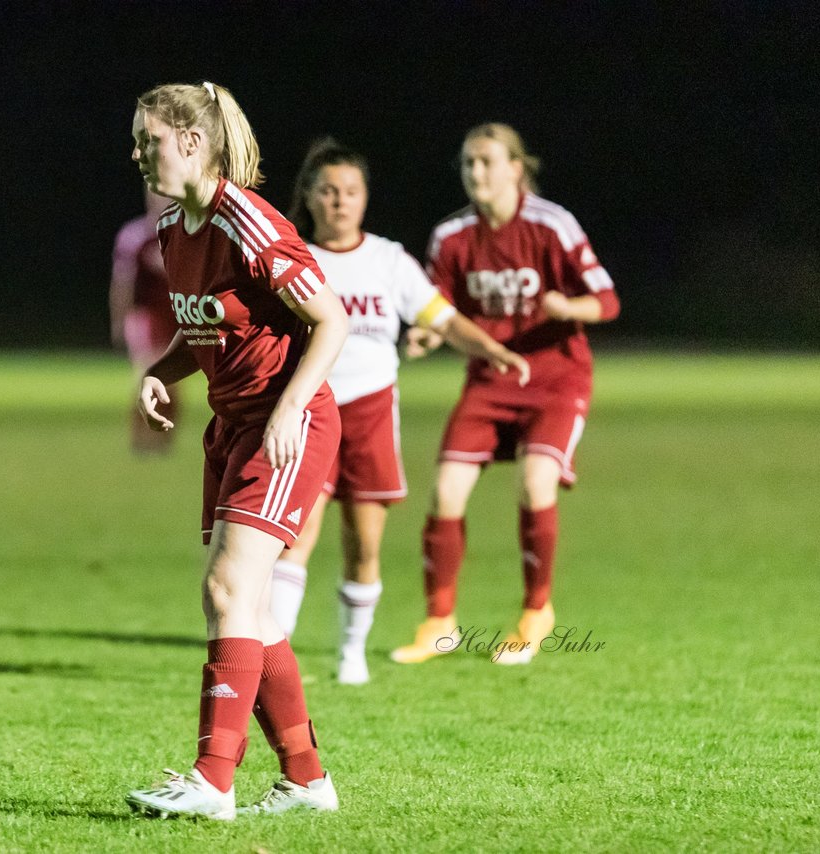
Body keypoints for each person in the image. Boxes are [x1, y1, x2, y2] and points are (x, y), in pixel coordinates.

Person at [123, 81, 348, 820]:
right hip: (232, 427)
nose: (138, 153)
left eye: (148, 138)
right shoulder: (171, 234)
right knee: (249, 606)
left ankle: (213, 780)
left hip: (290, 424)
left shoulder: (244, 219)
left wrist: (287, 410)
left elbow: (331, 320)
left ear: (191, 142)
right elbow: (207, 333)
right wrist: (163, 372)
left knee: (226, 592)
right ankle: (307, 780)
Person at [268, 139, 530, 686]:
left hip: (369, 413)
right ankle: (278, 659)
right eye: (329, 191)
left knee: (364, 544)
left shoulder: (388, 260)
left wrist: (492, 349)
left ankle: (350, 654)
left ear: (365, 199)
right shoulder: (294, 259)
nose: (341, 201)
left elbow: (445, 317)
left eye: (352, 191)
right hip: (310, 412)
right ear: (310, 198)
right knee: (296, 537)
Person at [390, 123, 620, 667]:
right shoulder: (451, 237)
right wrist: (426, 333)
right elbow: (438, 309)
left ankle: (536, 613)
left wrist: (570, 309)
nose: (476, 173)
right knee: (446, 491)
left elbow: (607, 300)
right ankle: (439, 624)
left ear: (517, 168)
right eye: (469, 163)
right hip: (489, 383)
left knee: (535, 480)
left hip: (556, 380)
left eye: (488, 162)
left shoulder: (551, 224)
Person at [110, 188, 180, 453]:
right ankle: (140, 439)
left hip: (175, 319)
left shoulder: (183, 234)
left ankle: (162, 439)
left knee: (172, 383)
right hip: (145, 317)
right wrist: (119, 318)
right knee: (148, 375)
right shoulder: (134, 236)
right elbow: (122, 284)